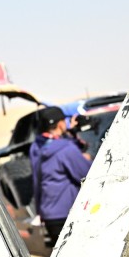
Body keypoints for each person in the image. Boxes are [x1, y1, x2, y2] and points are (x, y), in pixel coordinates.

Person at [29, 105, 92, 246]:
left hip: (48, 214)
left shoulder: (36, 146)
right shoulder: (67, 149)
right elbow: (86, 175)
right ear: (60, 124)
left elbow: (54, 146)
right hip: (66, 214)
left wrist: (70, 134)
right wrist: (86, 159)